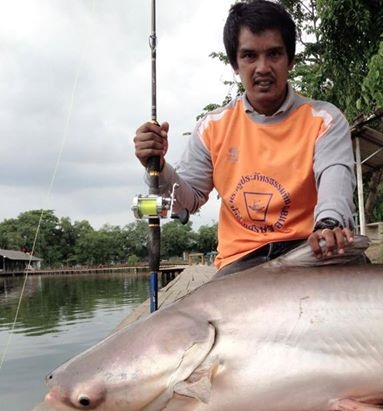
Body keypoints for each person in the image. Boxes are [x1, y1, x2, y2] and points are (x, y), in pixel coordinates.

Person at [133, 0, 356, 277]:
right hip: (240, 262)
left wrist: (329, 225)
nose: (262, 68)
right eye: (249, 56)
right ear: (235, 65)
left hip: (312, 250)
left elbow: (335, 181)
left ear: (291, 60)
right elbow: (185, 201)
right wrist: (157, 165)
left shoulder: (325, 119)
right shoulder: (212, 127)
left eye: (274, 54)